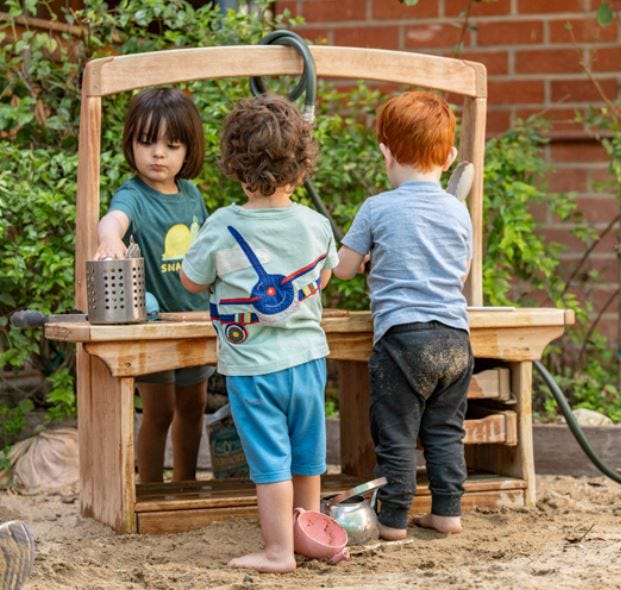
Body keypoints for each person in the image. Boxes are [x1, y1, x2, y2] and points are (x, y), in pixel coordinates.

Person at [180, 94, 338, 573]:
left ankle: (277, 552)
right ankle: (309, 537)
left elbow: (191, 279)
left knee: (271, 463)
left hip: (253, 368)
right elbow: (325, 276)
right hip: (309, 360)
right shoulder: (315, 224)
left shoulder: (222, 225)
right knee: (308, 457)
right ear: (301, 163)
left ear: (234, 164)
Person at [333, 90, 474, 541]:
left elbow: (344, 268)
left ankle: (393, 519)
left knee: (396, 433)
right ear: (450, 156)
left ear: (385, 152)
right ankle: (448, 512)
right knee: (445, 431)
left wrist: (373, 258)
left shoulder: (377, 207)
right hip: (455, 339)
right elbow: (460, 269)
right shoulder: (458, 209)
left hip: (404, 340)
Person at [94, 87, 213, 483]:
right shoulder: (133, 194)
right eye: (146, 142)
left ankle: (184, 482)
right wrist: (109, 237)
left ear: (188, 149)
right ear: (131, 143)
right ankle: (149, 487)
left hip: (194, 322)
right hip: (152, 325)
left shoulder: (192, 195)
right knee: (159, 411)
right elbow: (114, 219)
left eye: (171, 144)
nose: (158, 153)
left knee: (194, 406)